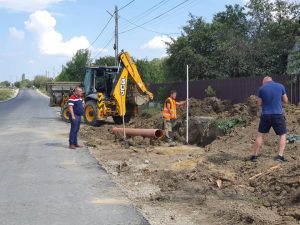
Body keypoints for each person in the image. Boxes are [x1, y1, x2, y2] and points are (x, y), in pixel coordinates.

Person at [251, 76, 288, 162]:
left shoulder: (261, 88)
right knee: (282, 134)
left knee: (260, 135)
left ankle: (254, 156)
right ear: (272, 80)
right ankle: (280, 156)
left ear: (264, 82)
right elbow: (285, 100)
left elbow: (259, 103)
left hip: (265, 115)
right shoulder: (280, 86)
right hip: (277, 115)